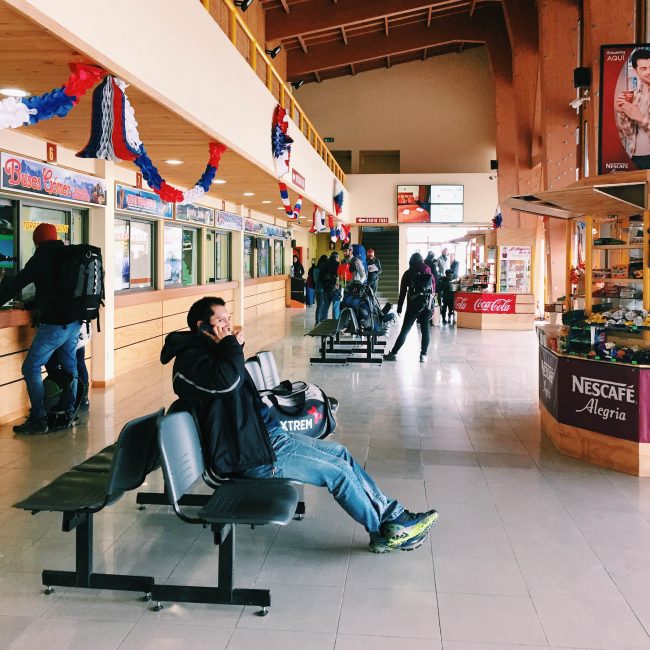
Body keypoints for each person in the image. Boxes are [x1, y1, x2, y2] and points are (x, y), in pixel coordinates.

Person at [160, 296, 439, 553]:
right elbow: (227, 383)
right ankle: (385, 531)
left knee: (341, 454)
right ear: (201, 327)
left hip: (263, 437)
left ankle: (391, 517)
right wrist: (232, 347)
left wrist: (232, 348)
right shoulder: (189, 363)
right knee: (338, 473)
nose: (228, 325)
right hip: (249, 455)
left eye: (228, 319)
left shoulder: (211, 353)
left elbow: (233, 390)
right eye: (221, 321)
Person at [0, 223, 81, 435]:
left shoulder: (42, 258)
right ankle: (69, 412)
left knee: (31, 368)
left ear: (37, 242)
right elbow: (54, 292)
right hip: (74, 323)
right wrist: (30, 305)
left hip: (54, 325)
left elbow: (15, 284)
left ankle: (39, 418)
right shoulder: (67, 255)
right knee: (70, 368)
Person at [383, 253, 434, 364]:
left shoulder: (408, 273)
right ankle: (423, 355)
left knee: (405, 330)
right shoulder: (428, 271)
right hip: (427, 305)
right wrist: (432, 307)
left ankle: (393, 353)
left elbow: (402, 292)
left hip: (413, 306)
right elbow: (433, 290)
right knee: (425, 330)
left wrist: (400, 307)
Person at [616, 48, 650, 170]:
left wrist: (641, 118)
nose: (648, 72)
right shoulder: (634, 95)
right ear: (635, 71)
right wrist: (622, 114)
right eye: (643, 68)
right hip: (636, 157)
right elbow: (629, 134)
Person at [317, 251, 340, 322]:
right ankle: (335, 323)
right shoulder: (337, 264)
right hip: (335, 288)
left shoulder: (323, 264)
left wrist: (323, 285)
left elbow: (319, 277)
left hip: (325, 288)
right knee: (335, 306)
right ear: (336, 257)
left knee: (325, 306)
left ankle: (323, 322)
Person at [313, 254, 328, 324]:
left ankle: (320, 321)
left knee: (322, 305)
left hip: (322, 289)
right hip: (319, 290)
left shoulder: (320, 269)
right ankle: (317, 322)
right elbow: (316, 281)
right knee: (320, 305)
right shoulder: (317, 269)